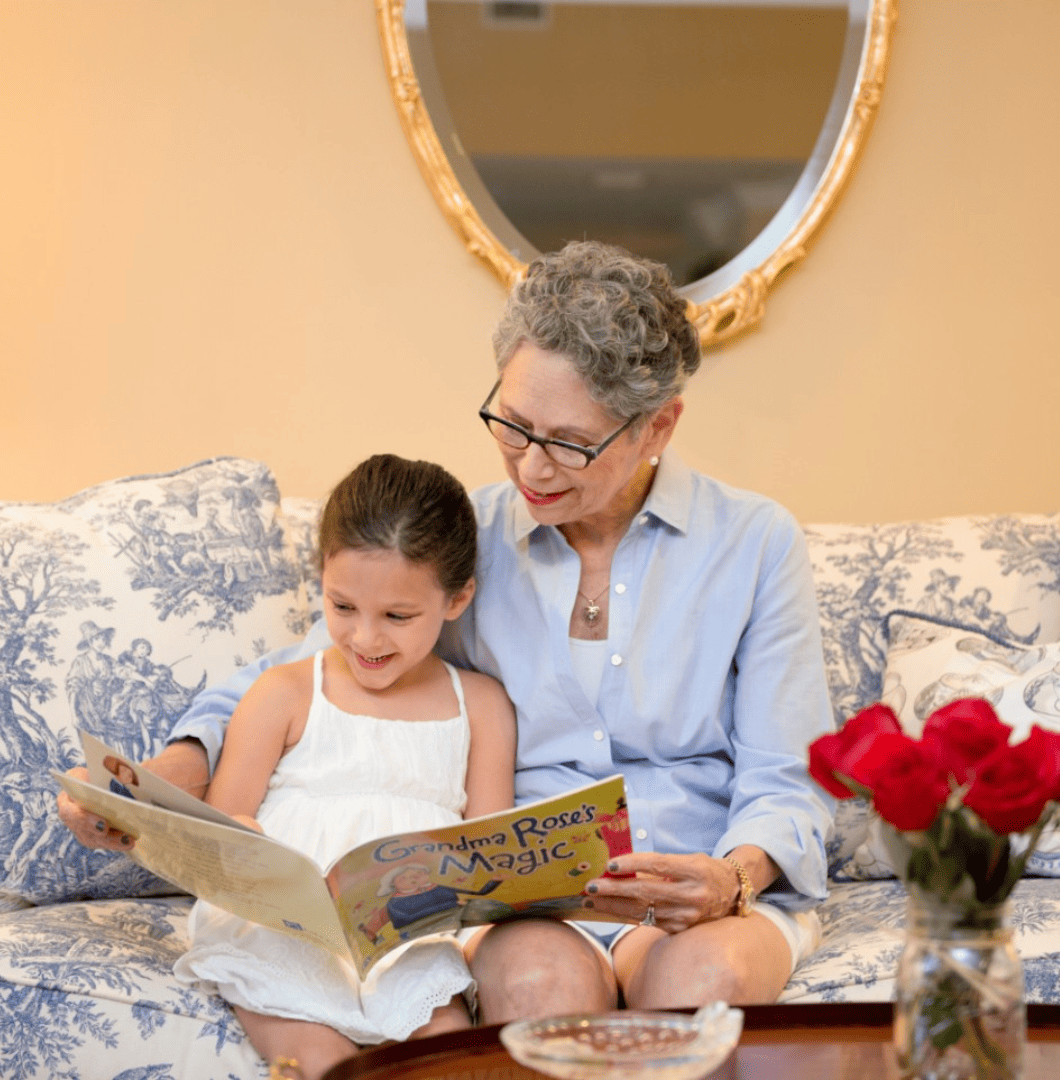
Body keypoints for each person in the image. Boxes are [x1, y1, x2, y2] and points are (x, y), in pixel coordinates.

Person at [60, 240, 835, 1024]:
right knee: (538, 988)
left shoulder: (756, 543)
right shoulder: (469, 538)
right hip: (537, 905)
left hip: (698, 892)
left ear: (658, 427)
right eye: (512, 424)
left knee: (695, 986)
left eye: (569, 443)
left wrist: (731, 878)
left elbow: (789, 775)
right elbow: (301, 675)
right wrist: (154, 786)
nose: (531, 468)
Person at [173, 455, 517, 1079]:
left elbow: (486, 851)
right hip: (283, 933)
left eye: (397, 616)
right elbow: (223, 828)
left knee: (444, 1058)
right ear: (321, 579)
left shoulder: (482, 705)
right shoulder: (284, 692)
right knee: (326, 1065)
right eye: (342, 606)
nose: (364, 638)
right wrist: (254, 854)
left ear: (457, 597)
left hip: (412, 940)